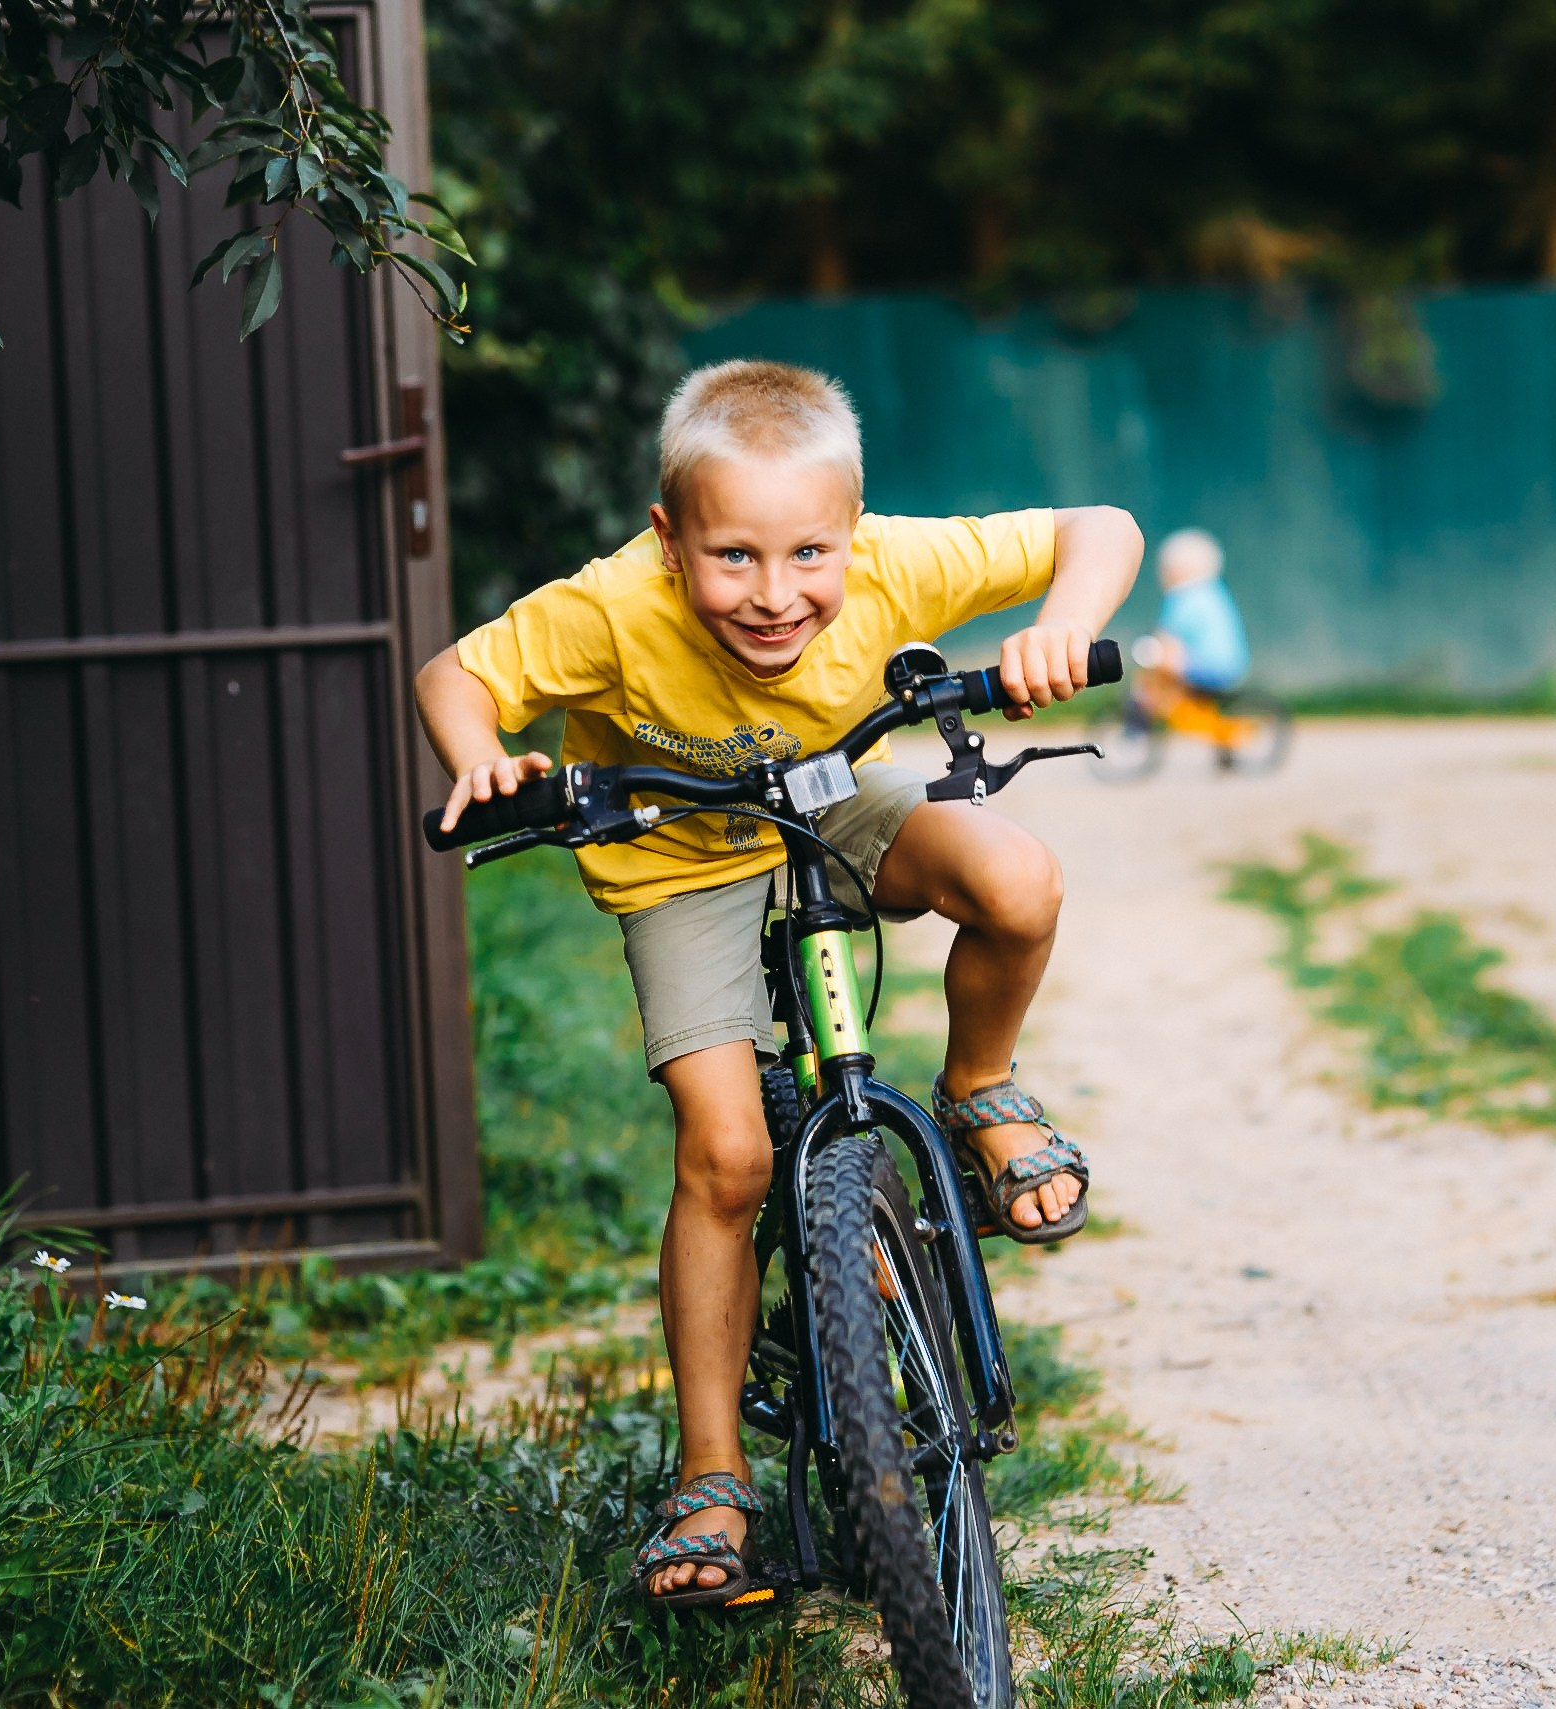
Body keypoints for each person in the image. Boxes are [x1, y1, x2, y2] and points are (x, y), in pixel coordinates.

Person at [415, 359, 1141, 1610]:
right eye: (732, 557)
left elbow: (1102, 529)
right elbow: (455, 675)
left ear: (851, 532)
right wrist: (485, 759)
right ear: (668, 537)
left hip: (831, 801)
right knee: (727, 1155)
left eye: (809, 554)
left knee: (1018, 881)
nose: (774, 593)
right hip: (674, 854)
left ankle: (978, 1089)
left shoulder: (896, 562)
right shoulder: (610, 607)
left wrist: (1059, 620)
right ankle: (710, 1472)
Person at [1133, 527, 1248, 716]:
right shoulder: (1214, 591)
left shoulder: (1184, 596)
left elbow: (1168, 634)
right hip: (1233, 666)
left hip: (1206, 668)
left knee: (1156, 658)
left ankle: (1151, 706)